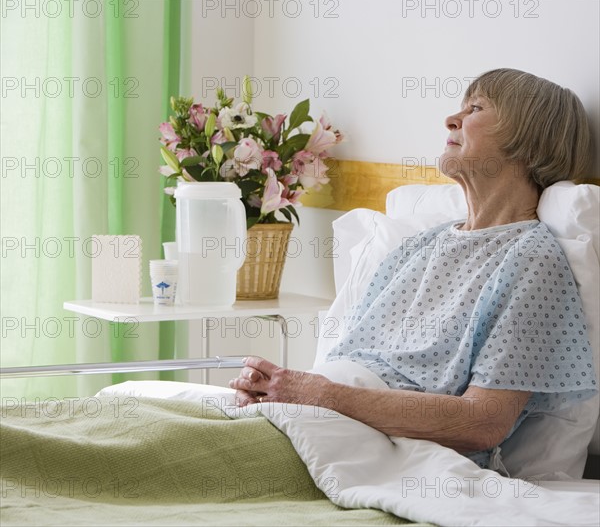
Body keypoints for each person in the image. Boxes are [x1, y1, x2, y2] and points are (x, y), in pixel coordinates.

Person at [229, 68, 598, 469]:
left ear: (530, 142)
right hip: (326, 419)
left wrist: (320, 395)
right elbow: (354, 364)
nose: (451, 120)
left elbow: (484, 422)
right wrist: (280, 390)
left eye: (475, 108)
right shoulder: (421, 244)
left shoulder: (531, 261)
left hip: (392, 447)